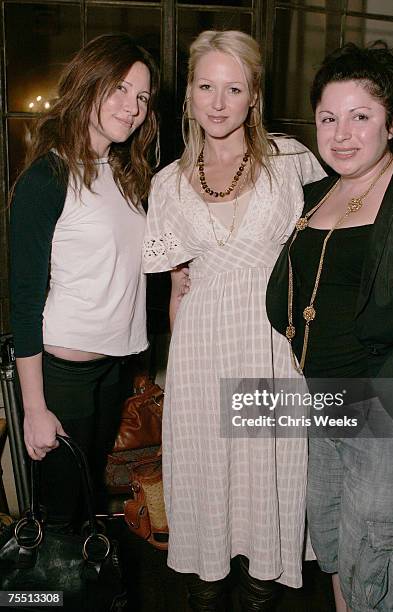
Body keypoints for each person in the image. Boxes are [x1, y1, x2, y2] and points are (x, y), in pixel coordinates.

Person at [266, 42, 393, 611]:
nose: (341, 133)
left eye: (361, 116)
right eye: (329, 118)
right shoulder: (313, 196)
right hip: (322, 405)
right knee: (335, 551)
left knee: (381, 569)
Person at [143, 29, 325, 611]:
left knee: (267, 478)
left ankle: (261, 589)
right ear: (190, 94)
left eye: (233, 88)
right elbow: (176, 287)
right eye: (205, 86)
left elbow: (334, 250)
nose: (218, 102)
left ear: (254, 96)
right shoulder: (167, 184)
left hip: (273, 348)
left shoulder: (293, 161)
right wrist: (176, 379)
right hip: (200, 351)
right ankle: (205, 586)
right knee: (205, 480)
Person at [9, 34, 159, 527]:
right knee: (61, 519)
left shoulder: (122, 172)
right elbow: (26, 302)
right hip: (63, 374)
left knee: (88, 501)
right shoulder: (47, 179)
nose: (132, 107)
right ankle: (39, 600)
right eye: (119, 88)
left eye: (141, 96)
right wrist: (34, 408)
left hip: (111, 368)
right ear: (87, 85)